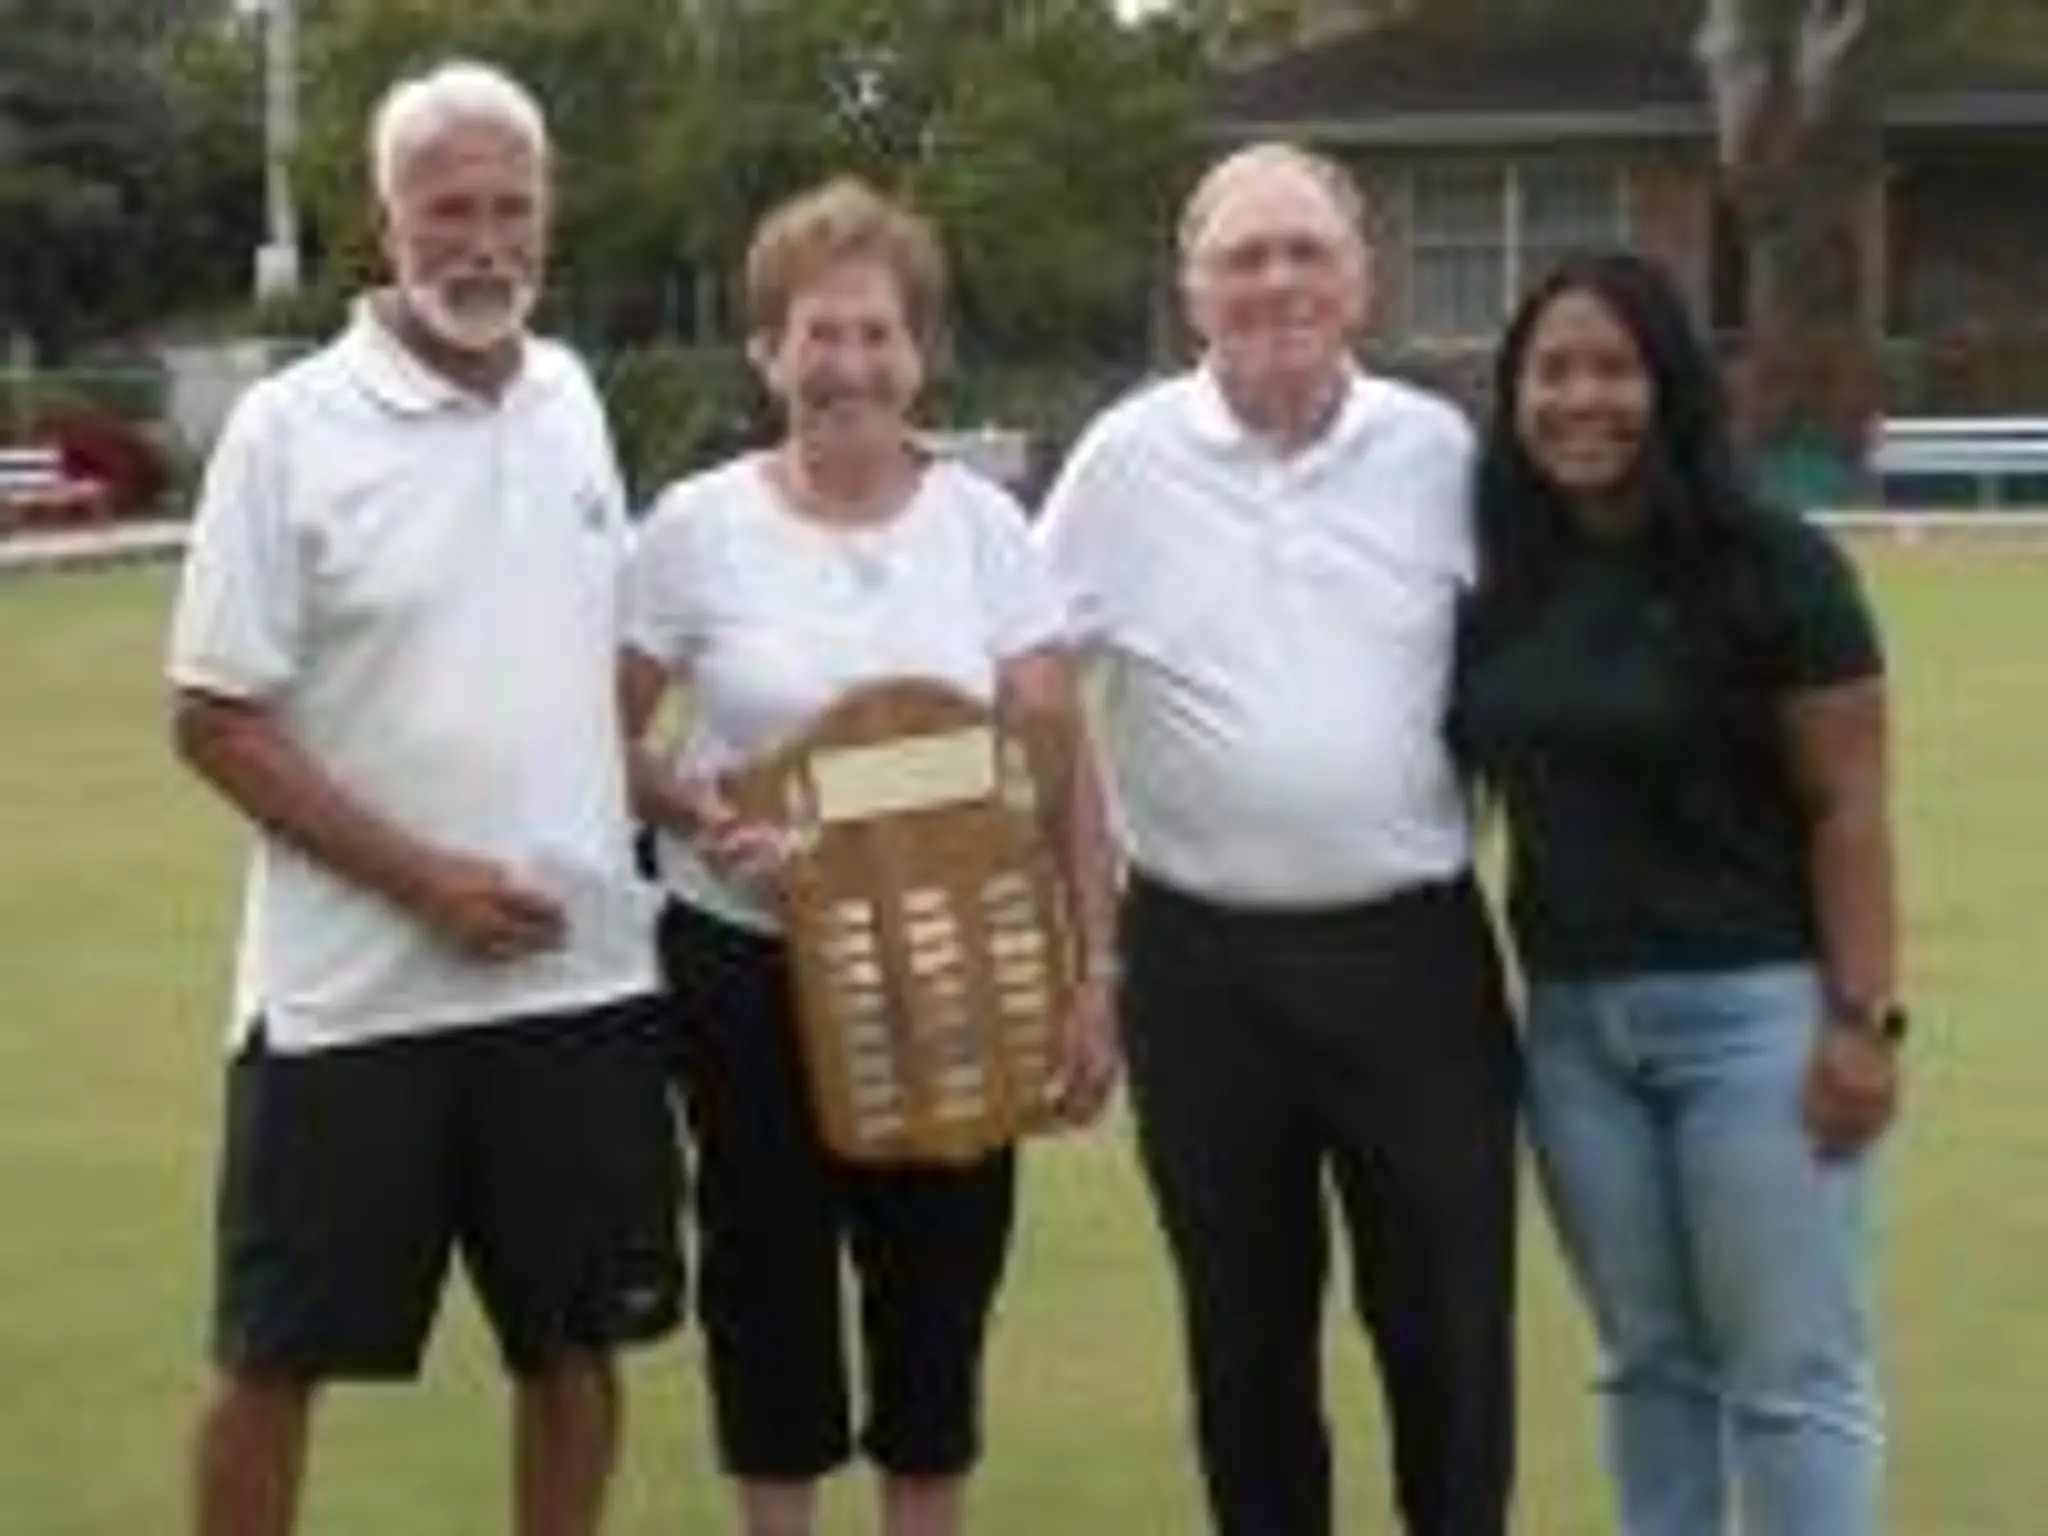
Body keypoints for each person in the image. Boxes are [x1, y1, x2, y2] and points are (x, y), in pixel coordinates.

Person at [167, 61, 682, 1536]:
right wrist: (425, 881)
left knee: (576, 1349)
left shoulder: (573, 397)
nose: (484, 241)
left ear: (548, 218)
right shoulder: (288, 428)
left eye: (512, 208)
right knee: (271, 1364)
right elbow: (213, 718)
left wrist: (688, 803)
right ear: (384, 224)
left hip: (575, 992)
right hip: (351, 1003)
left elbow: (569, 684)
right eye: (448, 208)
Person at [618, 177, 1120, 1536]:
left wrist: (1094, 978)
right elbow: (599, 746)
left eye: (877, 334)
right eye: (818, 334)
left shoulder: (986, 530)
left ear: (920, 351)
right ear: (767, 348)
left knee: (937, 1306)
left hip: (959, 970)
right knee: (768, 1302)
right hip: (746, 972)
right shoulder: (694, 528)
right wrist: (700, 814)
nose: (848, 365)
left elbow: (1061, 769)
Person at [1035, 143, 1520, 1536]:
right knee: (1245, 1345)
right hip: (1201, 970)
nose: (1277, 280)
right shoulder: (1125, 460)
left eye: (1306, 250)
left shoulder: (1439, 451)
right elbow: (1026, 683)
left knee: (1447, 1335)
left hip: (1414, 961)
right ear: (1193, 290)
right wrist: (1084, 955)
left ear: (1359, 279)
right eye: (1243, 257)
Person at [1452, 250, 1901, 1536]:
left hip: (1754, 1025)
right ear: (1514, 392)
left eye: (1612, 368)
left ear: (1669, 386)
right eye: (1550, 371)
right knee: (1646, 1364)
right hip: (1574, 1032)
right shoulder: (1506, 578)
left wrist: (1864, 1023)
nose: (1579, 398)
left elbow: (1849, 809)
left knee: (1790, 1381)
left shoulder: (1774, 565)